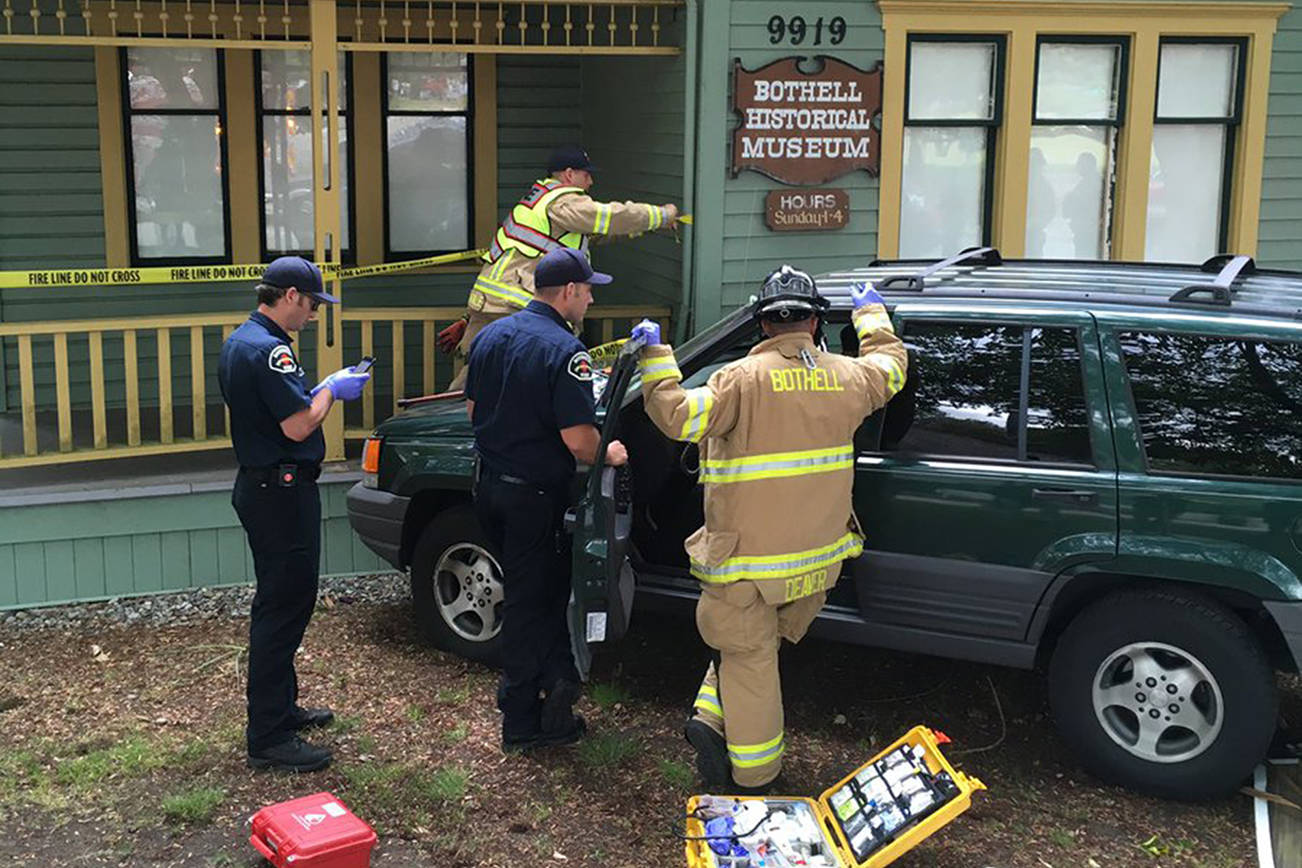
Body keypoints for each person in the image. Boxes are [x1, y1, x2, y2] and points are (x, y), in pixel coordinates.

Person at [630, 266, 908, 794]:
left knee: (747, 653)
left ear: (762, 327)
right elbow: (892, 368)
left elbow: (676, 417)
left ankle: (754, 776)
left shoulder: (739, 381)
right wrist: (871, 315)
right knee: (756, 645)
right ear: (814, 322)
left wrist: (655, 357)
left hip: (748, 569)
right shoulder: (850, 377)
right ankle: (712, 718)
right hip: (818, 563)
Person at [465, 246, 629, 752]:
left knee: (529, 597)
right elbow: (579, 441)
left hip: (489, 487)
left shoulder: (492, 334)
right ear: (569, 292)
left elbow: (472, 410)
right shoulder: (566, 352)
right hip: (534, 498)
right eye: (588, 290)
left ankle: (553, 696)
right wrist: (614, 453)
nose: (592, 299)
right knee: (531, 607)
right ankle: (521, 722)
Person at [218, 256, 372, 773]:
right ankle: (269, 737)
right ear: (289, 296)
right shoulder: (270, 353)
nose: (312, 314)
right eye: (311, 304)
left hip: (265, 489)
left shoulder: (243, 340)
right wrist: (331, 389)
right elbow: (298, 427)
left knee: (283, 604)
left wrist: (321, 387)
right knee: (282, 611)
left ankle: (281, 709)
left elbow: (276, 412)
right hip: (279, 493)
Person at [439, 145, 679, 389]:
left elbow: (593, 234)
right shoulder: (564, 202)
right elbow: (609, 217)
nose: (591, 182)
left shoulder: (539, 200)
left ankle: (446, 417)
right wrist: (661, 215)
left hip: (489, 303)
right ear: (568, 174)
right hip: (516, 306)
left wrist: (642, 228)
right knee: (517, 377)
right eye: (586, 175)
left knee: (478, 376)